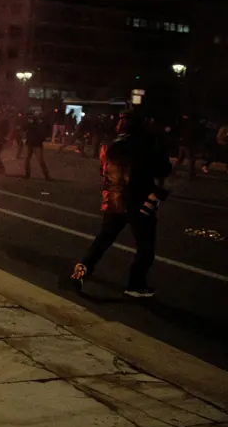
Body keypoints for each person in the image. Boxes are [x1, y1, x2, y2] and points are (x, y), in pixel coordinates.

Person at [68, 109, 172, 298]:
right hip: (139, 201)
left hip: (113, 199)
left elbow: (103, 171)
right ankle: (135, 284)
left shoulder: (108, 145)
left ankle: (82, 268)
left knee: (103, 240)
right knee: (145, 247)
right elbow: (163, 169)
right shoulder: (146, 144)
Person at [23, 113, 51, 180]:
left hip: (34, 144)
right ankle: (46, 175)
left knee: (33, 160)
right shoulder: (33, 126)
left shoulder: (37, 126)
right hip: (34, 144)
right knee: (36, 160)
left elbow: (43, 135)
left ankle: (28, 174)